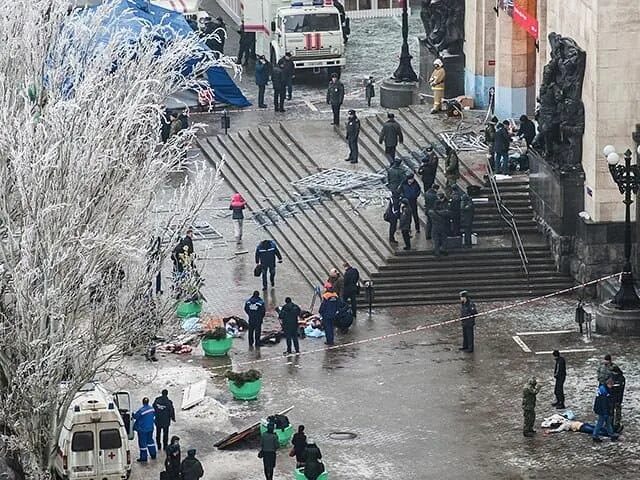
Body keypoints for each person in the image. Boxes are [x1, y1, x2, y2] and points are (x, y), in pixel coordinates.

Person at [592, 377, 619, 443]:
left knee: (608, 422)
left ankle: (611, 434)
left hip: (601, 409)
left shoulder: (602, 389)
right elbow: (604, 404)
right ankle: (595, 435)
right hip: (602, 410)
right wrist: (605, 413)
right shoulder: (604, 392)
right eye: (611, 385)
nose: (611, 387)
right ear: (608, 384)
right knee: (600, 423)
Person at [133, 397, 157, 462]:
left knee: (142, 443)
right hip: (150, 428)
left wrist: (132, 414)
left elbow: (135, 416)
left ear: (143, 402)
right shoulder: (152, 409)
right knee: (150, 441)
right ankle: (153, 454)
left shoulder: (141, 410)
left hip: (142, 429)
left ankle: (144, 458)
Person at [609, 365, 625, 433]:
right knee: (611, 412)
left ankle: (617, 424)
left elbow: (620, 389)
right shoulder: (612, 377)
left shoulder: (621, 378)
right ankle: (611, 424)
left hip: (617, 398)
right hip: (612, 398)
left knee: (617, 412)